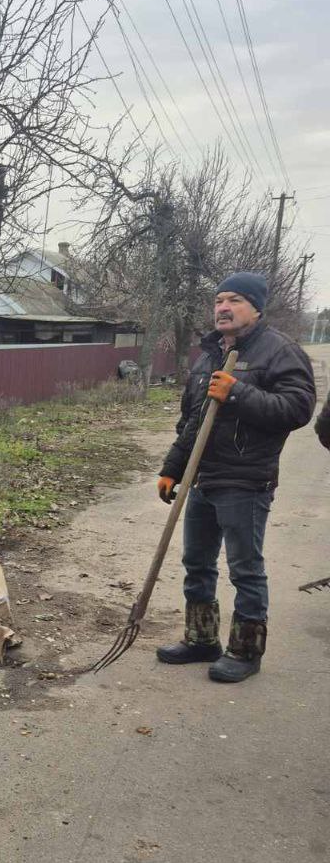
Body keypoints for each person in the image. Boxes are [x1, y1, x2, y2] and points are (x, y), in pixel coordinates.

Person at [155, 272, 316, 683]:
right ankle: (201, 639)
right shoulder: (209, 353)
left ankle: (245, 651)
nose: (223, 308)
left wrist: (238, 393)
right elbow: (193, 421)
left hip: (245, 480)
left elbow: (297, 409)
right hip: (204, 477)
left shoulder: (279, 351)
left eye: (235, 300)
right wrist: (173, 467)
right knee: (197, 562)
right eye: (219, 300)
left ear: (256, 307)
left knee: (245, 568)